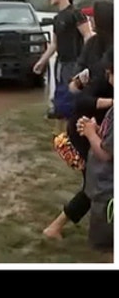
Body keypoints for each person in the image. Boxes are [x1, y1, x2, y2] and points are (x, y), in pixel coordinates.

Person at [43, 1, 114, 239]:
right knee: (97, 182)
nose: (90, 22)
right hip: (87, 126)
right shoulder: (95, 46)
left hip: (100, 124)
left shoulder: (106, 47)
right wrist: (109, 102)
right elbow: (77, 91)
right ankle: (56, 226)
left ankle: (57, 226)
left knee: (100, 180)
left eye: (94, 18)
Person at [33, 0, 93, 117]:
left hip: (75, 61)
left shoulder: (76, 14)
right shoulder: (57, 18)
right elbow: (54, 44)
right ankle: (60, 112)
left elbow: (87, 35)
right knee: (62, 89)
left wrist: (86, 58)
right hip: (61, 61)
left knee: (73, 91)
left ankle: (73, 117)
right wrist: (42, 61)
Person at [79, 46, 113, 252]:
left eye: (110, 72)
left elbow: (107, 153)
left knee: (105, 247)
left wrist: (91, 135)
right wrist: (96, 130)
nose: (108, 77)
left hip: (108, 193)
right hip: (104, 189)